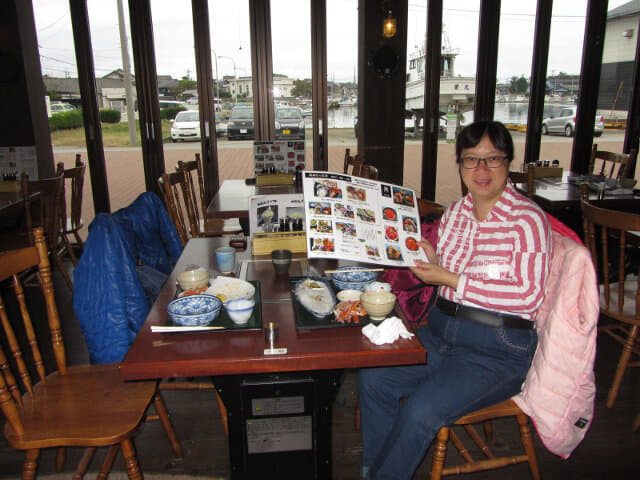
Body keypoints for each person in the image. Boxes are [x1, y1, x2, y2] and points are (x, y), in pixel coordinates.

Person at [358, 120, 552, 479]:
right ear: (460, 165)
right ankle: (374, 471)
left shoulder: (528, 220)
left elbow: (527, 295)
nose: (481, 169)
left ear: (508, 162)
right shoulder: (456, 214)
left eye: (492, 158)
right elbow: (444, 274)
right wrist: (432, 264)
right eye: (470, 159)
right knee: (374, 381)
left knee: (419, 411)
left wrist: (447, 277)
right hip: (442, 332)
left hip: (498, 347)